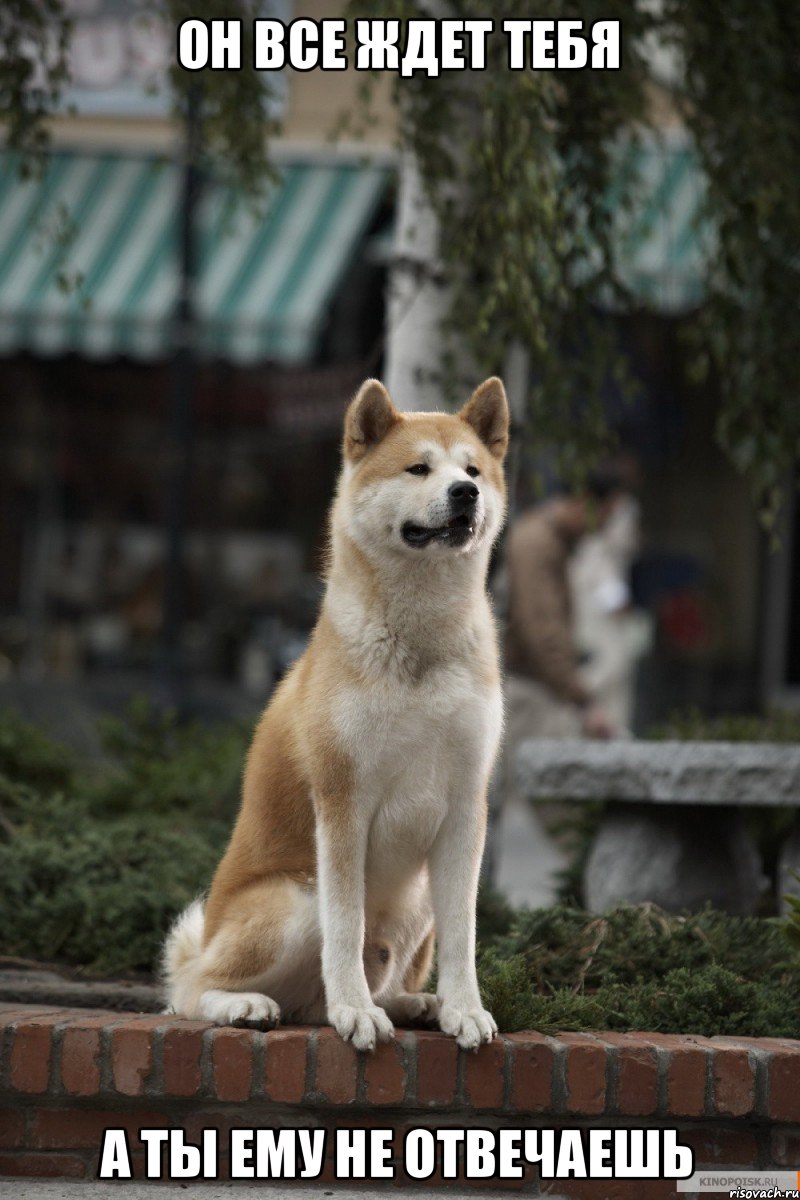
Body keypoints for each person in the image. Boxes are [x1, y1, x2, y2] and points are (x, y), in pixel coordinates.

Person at [503, 469, 627, 744]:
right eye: (607, 514)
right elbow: (542, 631)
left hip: (537, 686)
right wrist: (583, 701)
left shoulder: (552, 541)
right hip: (527, 691)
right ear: (586, 502)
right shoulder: (538, 544)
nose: (605, 526)